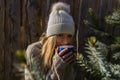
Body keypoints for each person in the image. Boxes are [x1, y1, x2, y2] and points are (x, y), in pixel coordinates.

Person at [25, 2, 83, 80]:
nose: (66, 41)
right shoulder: (34, 51)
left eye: (69, 36)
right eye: (60, 35)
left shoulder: (68, 53)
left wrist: (68, 66)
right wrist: (58, 66)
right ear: (51, 36)